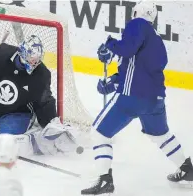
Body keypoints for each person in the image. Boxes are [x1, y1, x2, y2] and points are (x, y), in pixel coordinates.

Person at [81, 1, 193, 195]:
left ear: (137, 12)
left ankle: (104, 180)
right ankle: (187, 169)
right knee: (160, 135)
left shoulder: (137, 24)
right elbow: (138, 70)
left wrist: (109, 44)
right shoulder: (156, 40)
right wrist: (113, 83)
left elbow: (126, 50)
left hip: (131, 97)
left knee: (99, 133)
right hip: (155, 100)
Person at [0, 35, 80, 156]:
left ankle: (33, 141)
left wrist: (51, 123)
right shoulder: (0, 55)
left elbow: (44, 102)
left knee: (3, 150)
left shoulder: (41, 74)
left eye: (37, 59)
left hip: (19, 114)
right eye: (31, 58)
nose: (34, 63)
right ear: (22, 53)